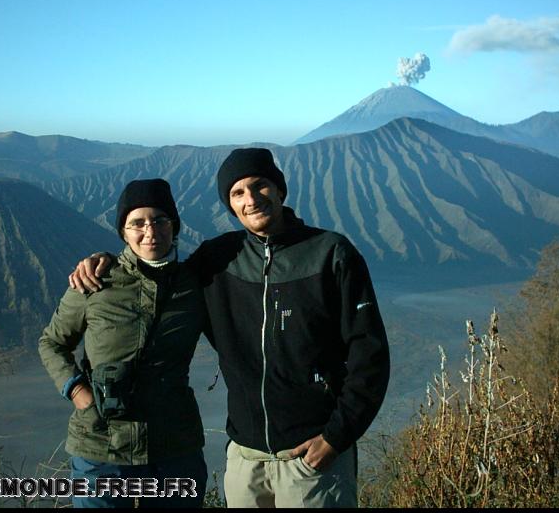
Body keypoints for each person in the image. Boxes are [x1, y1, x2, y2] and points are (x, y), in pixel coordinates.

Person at [71, 148, 390, 508]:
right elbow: (157, 272)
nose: (251, 199)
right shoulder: (218, 258)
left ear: (280, 190)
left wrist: (336, 437)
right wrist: (109, 262)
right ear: (229, 203)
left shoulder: (330, 253)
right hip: (245, 459)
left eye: (260, 186)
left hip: (311, 456)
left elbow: (370, 354)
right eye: (238, 193)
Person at [39, 179, 208, 508]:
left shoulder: (198, 283)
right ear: (123, 232)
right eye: (137, 223)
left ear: (174, 226)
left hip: (174, 444)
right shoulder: (95, 281)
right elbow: (52, 342)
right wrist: (77, 391)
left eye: (160, 220)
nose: (150, 231)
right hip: (101, 445)